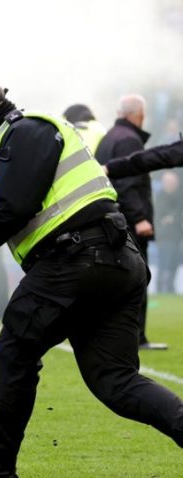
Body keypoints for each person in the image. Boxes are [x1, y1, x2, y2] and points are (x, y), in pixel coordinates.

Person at [0, 79, 183, 478]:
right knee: (116, 381)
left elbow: (13, 208)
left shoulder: (27, 131)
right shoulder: (0, 155)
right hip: (112, 262)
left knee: (15, 350)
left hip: (75, 258)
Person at [94, 95, 164, 350]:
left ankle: (110, 336)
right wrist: (140, 218)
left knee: (116, 280)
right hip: (128, 223)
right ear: (140, 116)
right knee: (137, 278)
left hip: (109, 221)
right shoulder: (130, 140)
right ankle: (136, 337)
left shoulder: (109, 137)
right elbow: (128, 183)